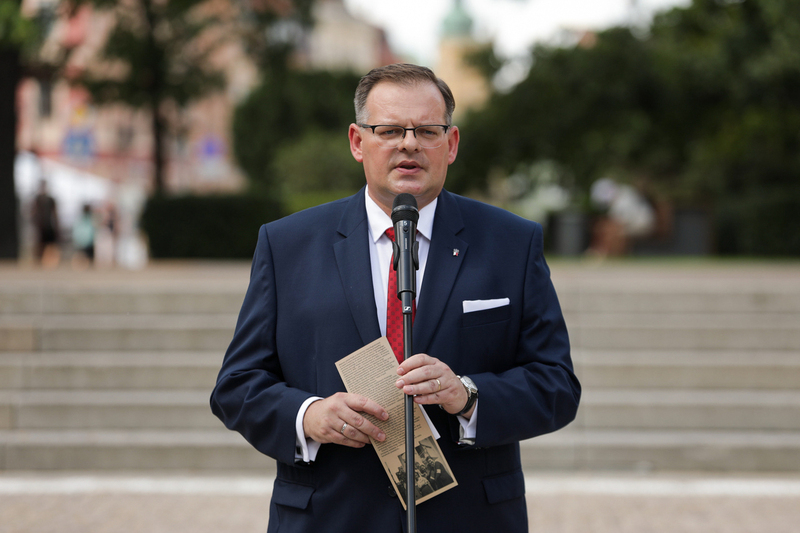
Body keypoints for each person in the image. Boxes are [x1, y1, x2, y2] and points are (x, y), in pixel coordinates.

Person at [210, 63, 580, 533]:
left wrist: (466, 395)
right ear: (357, 141)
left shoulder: (511, 242)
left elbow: (557, 387)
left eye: (427, 130)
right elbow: (237, 386)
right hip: (329, 516)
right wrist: (309, 416)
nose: (409, 143)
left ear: (451, 144)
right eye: (389, 130)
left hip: (469, 518)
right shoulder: (287, 244)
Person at [31, 180, 60, 268]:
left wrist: (56, 225)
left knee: (50, 244)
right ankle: (39, 261)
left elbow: (54, 213)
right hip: (41, 225)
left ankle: (49, 260)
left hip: (48, 224)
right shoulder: (37, 199)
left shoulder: (50, 199)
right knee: (41, 244)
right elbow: (33, 212)